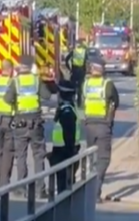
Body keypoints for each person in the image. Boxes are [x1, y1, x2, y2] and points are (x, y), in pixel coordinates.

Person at [5, 55, 52, 197]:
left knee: (21, 156)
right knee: (38, 156)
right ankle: (40, 190)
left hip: (20, 123)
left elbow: (7, 99)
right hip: (35, 123)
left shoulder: (15, 82)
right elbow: (47, 96)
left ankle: (21, 188)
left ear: (20, 66)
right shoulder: (36, 80)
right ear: (32, 66)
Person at [82, 62, 119, 202]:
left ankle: (90, 191)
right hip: (104, 125)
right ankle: (95, 193)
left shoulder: (86, 84)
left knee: (92, 158)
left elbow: (82, 102)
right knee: (103, 159)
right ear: (102, 70)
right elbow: (116, 101)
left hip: (89, 125)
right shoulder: (107, 84)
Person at [48, 79, 81, 193]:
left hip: (64, 154)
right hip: (64, 152)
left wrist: (67, 155)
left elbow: (68, 135)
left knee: (64, 190)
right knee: (65, 188)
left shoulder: (66, 111)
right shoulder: (68, 108)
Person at [0, 59, 16, 188]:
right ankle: (5, 183)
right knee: (9, 152)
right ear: (11, 69)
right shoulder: (11, 83)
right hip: (8, 120)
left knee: (0, 152)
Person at [65, 39, 88, 105]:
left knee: (73, 86)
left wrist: (69, 68)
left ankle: (72, 100)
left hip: (74, 71)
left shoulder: (74, 51)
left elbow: (66, 60)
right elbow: (87, 62)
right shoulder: (84, 52)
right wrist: (86, 71)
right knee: (80, 87)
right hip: (82, 71)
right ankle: (79, 102)